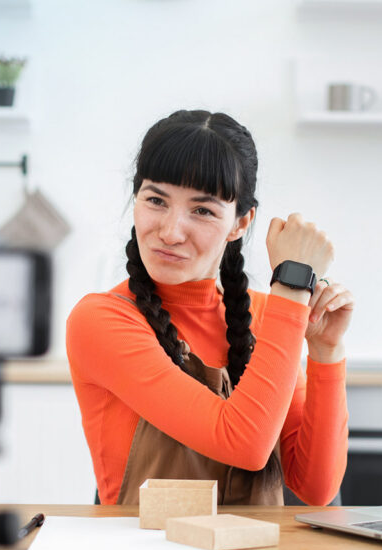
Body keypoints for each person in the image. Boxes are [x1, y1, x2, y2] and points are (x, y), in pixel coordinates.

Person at [66, 110, 353, 506]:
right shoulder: (101, 320)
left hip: (258, 549)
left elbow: (316, 488)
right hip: (145, 548)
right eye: (156, 200)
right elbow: (244, 444)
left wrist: (326, 350)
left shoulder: (268, 316)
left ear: (240, 223)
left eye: (202, 210)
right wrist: (293, 281)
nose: (170, 232)